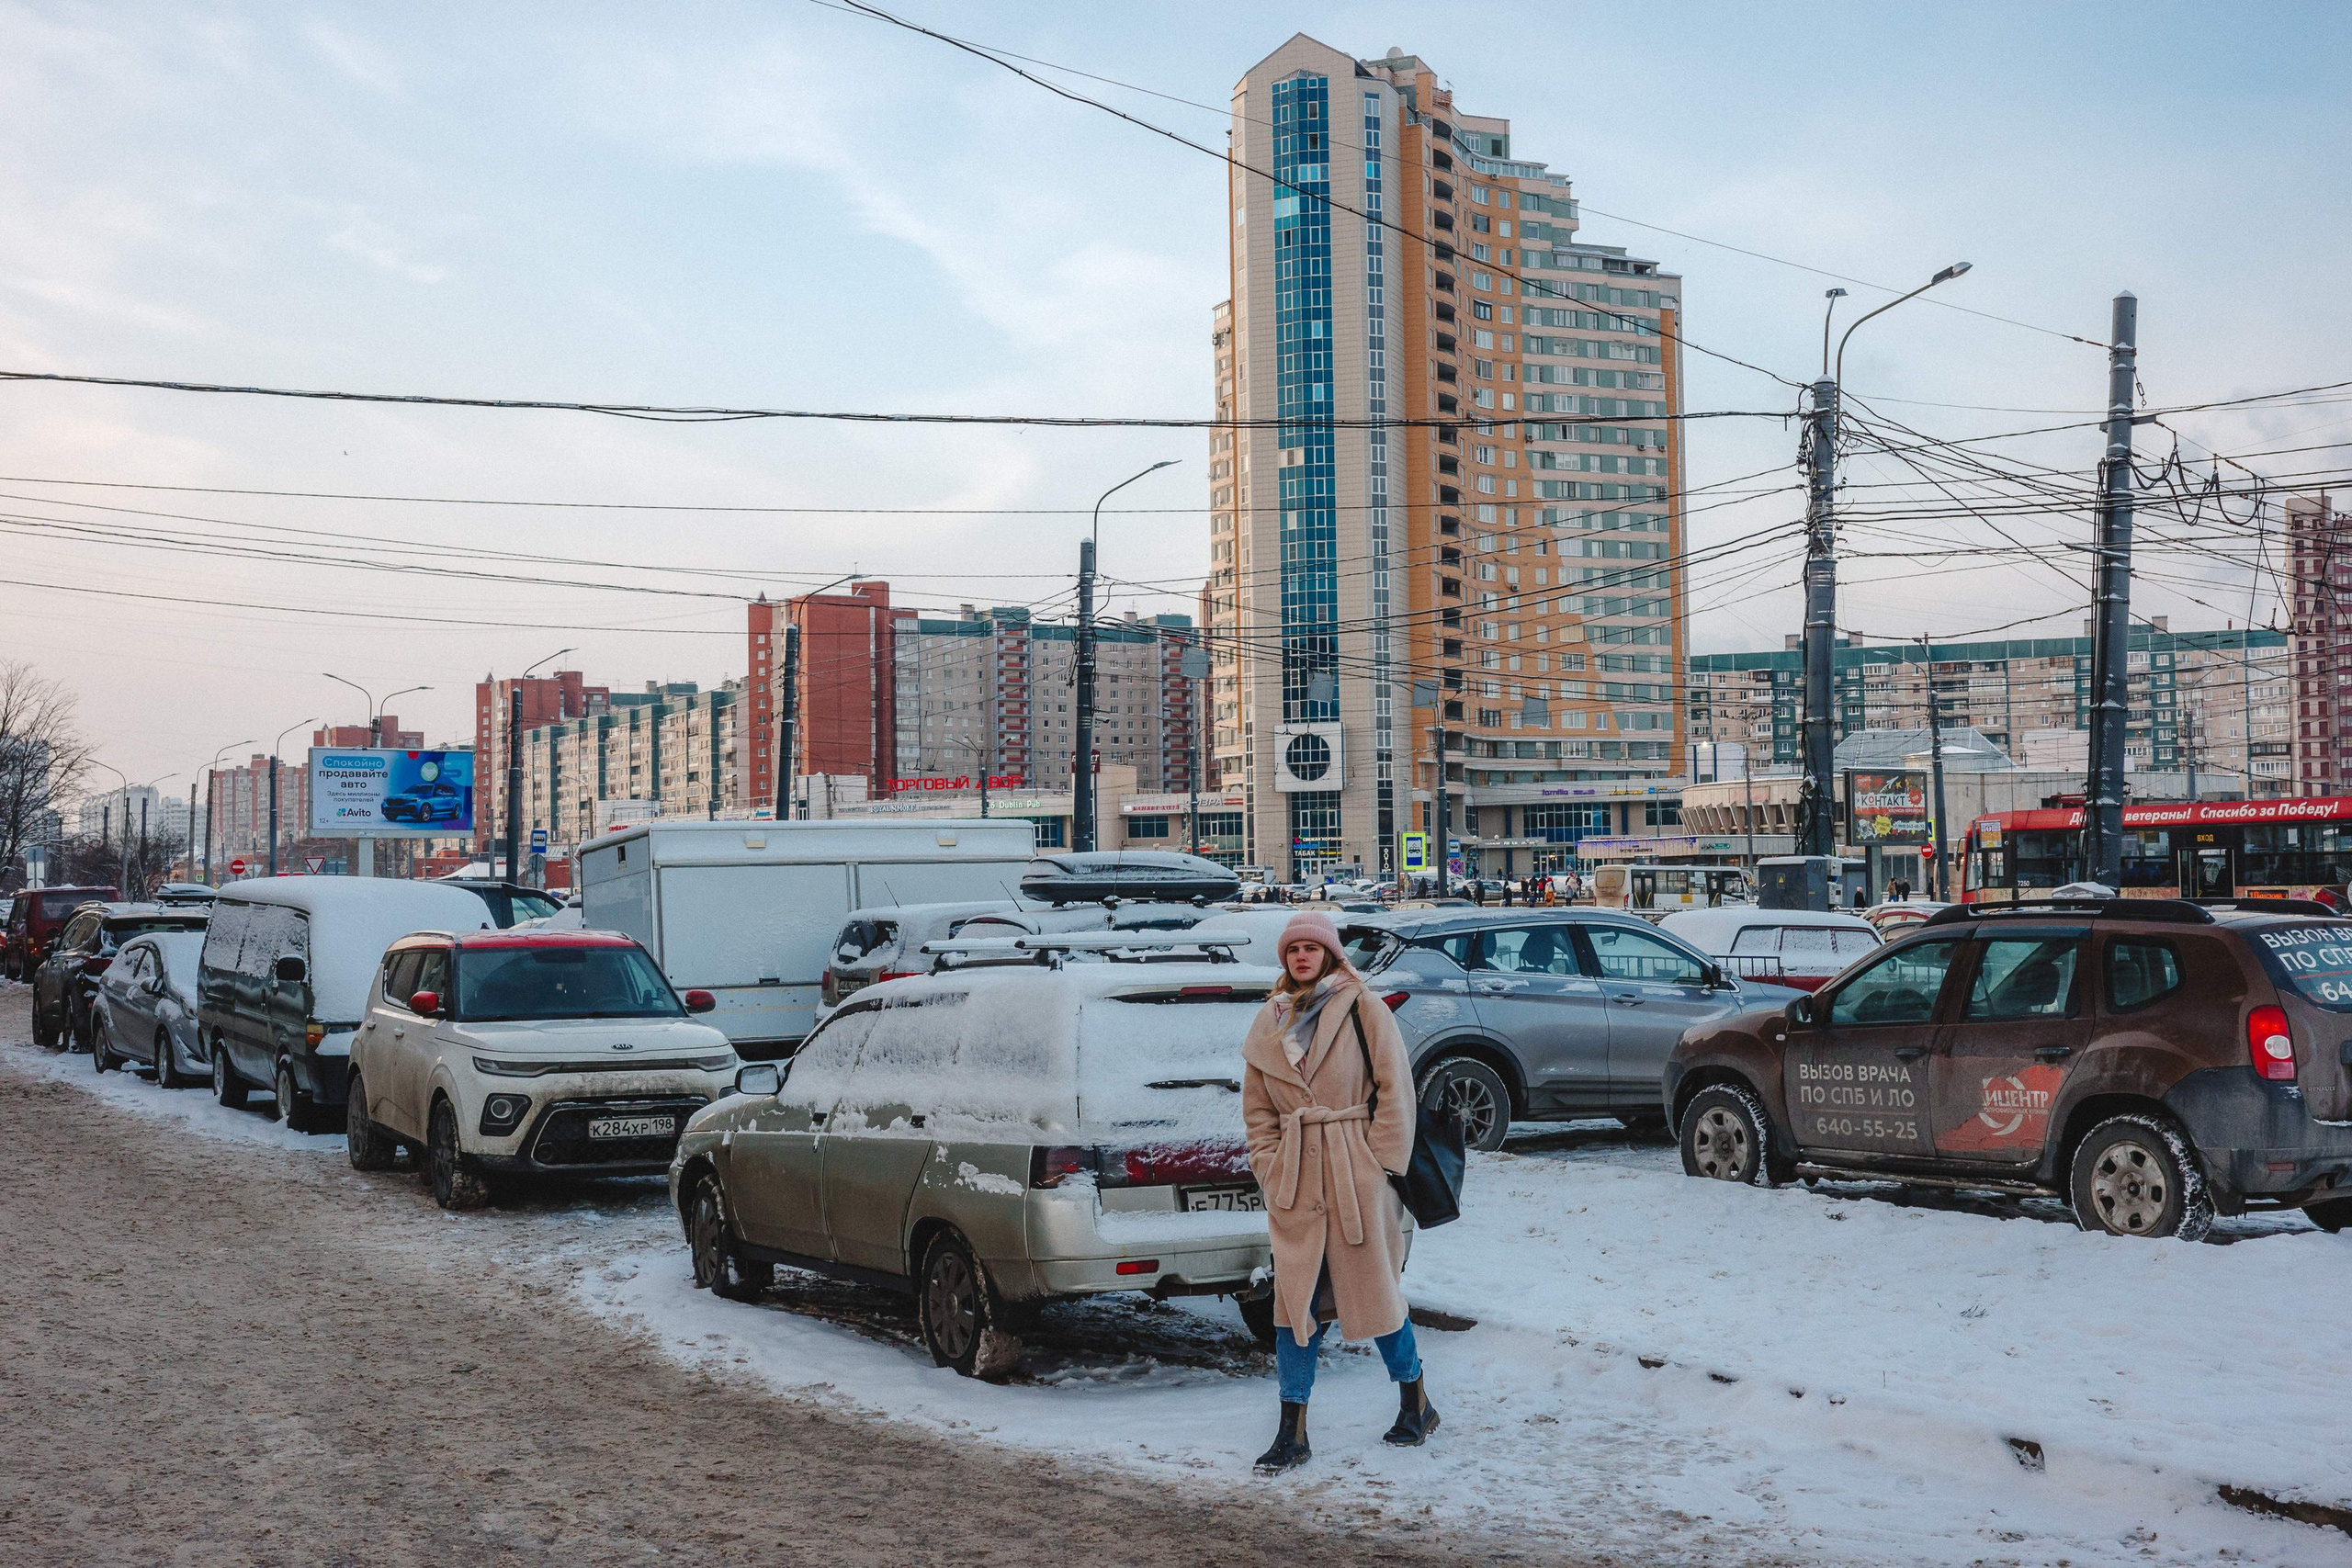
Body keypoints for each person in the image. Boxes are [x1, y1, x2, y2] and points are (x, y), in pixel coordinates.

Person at [1241, 912, 1434, 1472]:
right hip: (1297, 1181)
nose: (1301, 956)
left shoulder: (1361, 1006)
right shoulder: (1270, 1020)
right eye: (1292, 949)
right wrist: (1271, 1167)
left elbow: (1396, 1087)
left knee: (1375, 1295)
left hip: (1356, 1173)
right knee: (1294, 1306)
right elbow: (1258, 1111)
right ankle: (1291, 1432)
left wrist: (1379, 1163)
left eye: (1311, 947)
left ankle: (1414, 1401)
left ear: (1329, 953)